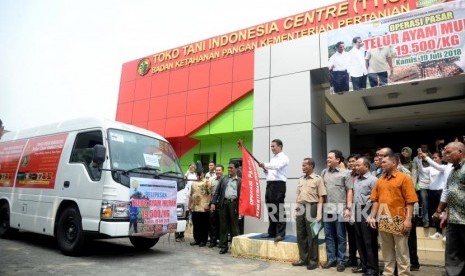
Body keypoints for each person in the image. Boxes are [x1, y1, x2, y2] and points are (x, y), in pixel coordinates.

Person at [369, 153, 418, 276]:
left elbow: (410, 201)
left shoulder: (404, 178)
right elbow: (375, 200)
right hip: (383, 219)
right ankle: (388, 273)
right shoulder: (380, 180)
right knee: (387, 250)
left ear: (394, 163)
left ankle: (404, 274)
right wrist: (372, 217)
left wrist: (408, 220)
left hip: (399, 219)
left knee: (402, 251)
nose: (381, 164)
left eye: (384, 162)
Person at [321, 149, 353, 272]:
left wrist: (348, 208)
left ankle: (341, 260)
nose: (328, 159)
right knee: (329, 235)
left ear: (337, 159)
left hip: (340, 209)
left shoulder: (346, 173)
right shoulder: (324, 172)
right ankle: (331, 259)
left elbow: (349, 190)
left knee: (340, 236)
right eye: (327, 157)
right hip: (327, 209)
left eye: (330, 158)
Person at [292, 158, 326, 270]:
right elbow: (298, 195)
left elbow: (321, 196)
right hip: (301, 207)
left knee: (312, 235)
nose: (302, 167)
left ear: (311, 166)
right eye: (302, 165)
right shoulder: (301, 179)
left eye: (304, 165)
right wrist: (295, 209)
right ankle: (303, 259)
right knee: (300, 235)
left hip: (312, 207)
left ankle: (313, 261)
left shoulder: (318, 179)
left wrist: (319, 213)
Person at [437, 142, 465, 276]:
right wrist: (445, 213)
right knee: (452, 254)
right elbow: (450, 193)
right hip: (454, 220)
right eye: (445, 152)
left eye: (449, 152)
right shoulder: (452, 171)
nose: (445, 155)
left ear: (460, 151)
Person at [258, 139, 289, 243]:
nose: (272, 148)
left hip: (279, 185)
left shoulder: (284, 158)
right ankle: (272, 231)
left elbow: (277, 167)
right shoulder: (273, 158)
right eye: (271, 146)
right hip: (270, 184)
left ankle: (280, 233)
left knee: (278, 208)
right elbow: (271, 173)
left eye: (273, 146)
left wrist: (264, 164)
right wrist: (266, 171)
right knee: (271, 208)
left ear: (280, 146)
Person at [352, 157, 379, 276]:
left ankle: (373, 269)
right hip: (357, 210)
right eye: (355, 165)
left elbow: (376, 200)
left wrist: (373, 215)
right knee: (359, 240)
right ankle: (363, 265)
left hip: (367, 211)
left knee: (369, 241)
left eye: (358, 165)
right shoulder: (356, 179)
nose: (355, 167)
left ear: (367, 166)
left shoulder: (373, 180)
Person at [210, 161, 241, 254]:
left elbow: (243, 195)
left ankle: (235, 247)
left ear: (236, 169)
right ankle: (223, 246)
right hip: (223, 204)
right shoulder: (224, 179)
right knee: (223, 226)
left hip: (234, 205)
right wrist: (213, 203)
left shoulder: (240, 181)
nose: (229, 169)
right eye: (228, 168)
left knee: (234, 228)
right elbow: (217, 192)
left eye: (231, 168)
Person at [189, 164, 212, 247]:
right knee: (196, 224)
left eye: (200, 173)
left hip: (203, 207)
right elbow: (191, 194)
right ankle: (197, 240)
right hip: (195, 207)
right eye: (197, 174)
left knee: (203, 225)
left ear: (203, 173)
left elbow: (210, 194)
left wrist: (208, 204)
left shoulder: (207, 181)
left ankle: (203, 240)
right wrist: (190, 204)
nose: (199, 175)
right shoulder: (193, 183)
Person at [208, 164, 224, 248]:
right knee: (212, 223)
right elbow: (209, 193)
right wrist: (210, 203)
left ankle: (221, 241)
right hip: (213, 204)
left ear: (222, 171)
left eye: (219, 170)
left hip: (222, 204)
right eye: (216, 170)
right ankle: (213, 241)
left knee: (222, 223)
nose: (217, 171)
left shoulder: (225, 180)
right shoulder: (211, 180)